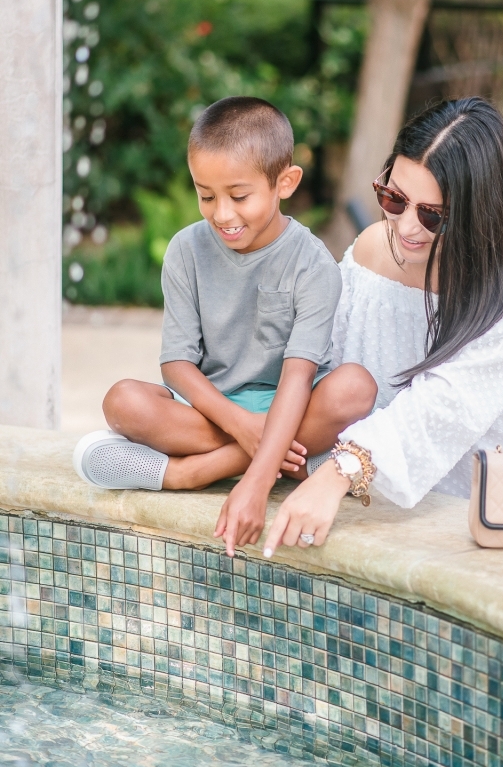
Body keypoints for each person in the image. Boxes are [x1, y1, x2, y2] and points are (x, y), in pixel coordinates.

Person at [261, 96, 503, 556]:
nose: (407, 227)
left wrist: (340, 471)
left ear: (481, 211)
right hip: (394, 504)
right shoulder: (374, 251)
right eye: (394, 198)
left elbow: (447, 404)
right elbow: (321, 360)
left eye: (433, 215)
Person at [72, 96, 376, 555]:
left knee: (355, 387)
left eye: (239, 196)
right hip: (211, 409)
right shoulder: (185, 250)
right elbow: (176, 364)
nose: (222, 214)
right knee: (124, 402)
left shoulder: (313, 264)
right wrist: (241, 425)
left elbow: (298, 376)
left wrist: (254, 486)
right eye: (205, 195)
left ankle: (200, 468)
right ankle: (275, 461)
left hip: (290, 406)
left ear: (285, 182)